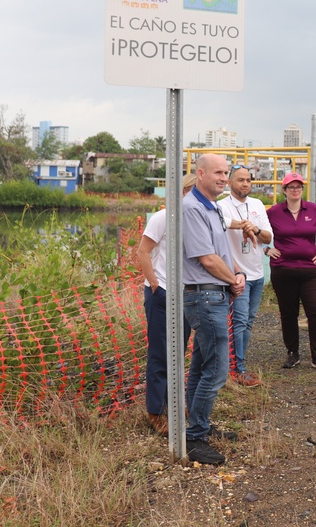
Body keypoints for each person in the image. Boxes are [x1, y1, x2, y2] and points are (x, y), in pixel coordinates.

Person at [182, 154, 246, 466]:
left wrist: (238, 274)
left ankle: (198, 426)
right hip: (205, 297)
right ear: (201, 173)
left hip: (215, 294)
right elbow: (206, 258)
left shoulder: (213, 207)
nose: (223, 178)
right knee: (218, 369)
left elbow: (222, 252)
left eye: (226, 173)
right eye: (218, 173)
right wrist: (233, 279)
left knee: (201, 364)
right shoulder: (192, 208)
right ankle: (194, 437)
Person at [135, 173, 196, 436]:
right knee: (160, 354)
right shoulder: (163, 217)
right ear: (184, 191)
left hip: (184, 294)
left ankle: (173, 403)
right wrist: (155, 285)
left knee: (178, 353)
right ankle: (155, 412)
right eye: (192, 191)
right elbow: (142, 251)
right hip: (162, 292)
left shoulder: (195, 220)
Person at [265, 172, 316, 371]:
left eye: (298, 187)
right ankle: (292, 354)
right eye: (291, 187)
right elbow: (258, 232)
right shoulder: (274, 212)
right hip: (282, 270)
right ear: (284, 190)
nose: (295, 190)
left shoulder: (312, 209)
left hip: (309, 270)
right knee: (288, 313)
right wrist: (266, 249)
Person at [217, 164, 273, 388]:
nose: (245, 184)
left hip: (257, 274)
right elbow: (221, 227)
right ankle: (237, 369)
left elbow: (268, 238)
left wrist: (255, 230)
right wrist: (243, 226)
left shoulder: (258, 204)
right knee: (238, 322)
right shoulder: (221, 206)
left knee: (248, 322)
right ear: (230, 183)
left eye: (248, 180)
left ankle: (237, 362)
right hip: (237, 275)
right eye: (240, 180)